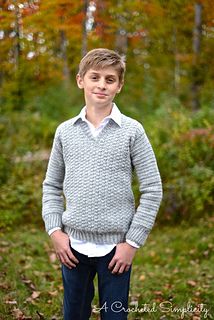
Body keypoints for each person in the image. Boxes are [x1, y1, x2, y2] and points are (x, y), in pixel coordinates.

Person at [42, 48, 163, 320]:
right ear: (80, 80)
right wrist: (54, 231)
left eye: (110, 79)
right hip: (72, 248)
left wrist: (132, 242)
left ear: (119, 86)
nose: (101, 85)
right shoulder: (65, 131)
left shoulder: (132, 131)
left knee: (114, 316)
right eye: (94, 77)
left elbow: (153, 189)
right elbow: (51, 186)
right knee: (74, 314)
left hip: (116, 251)